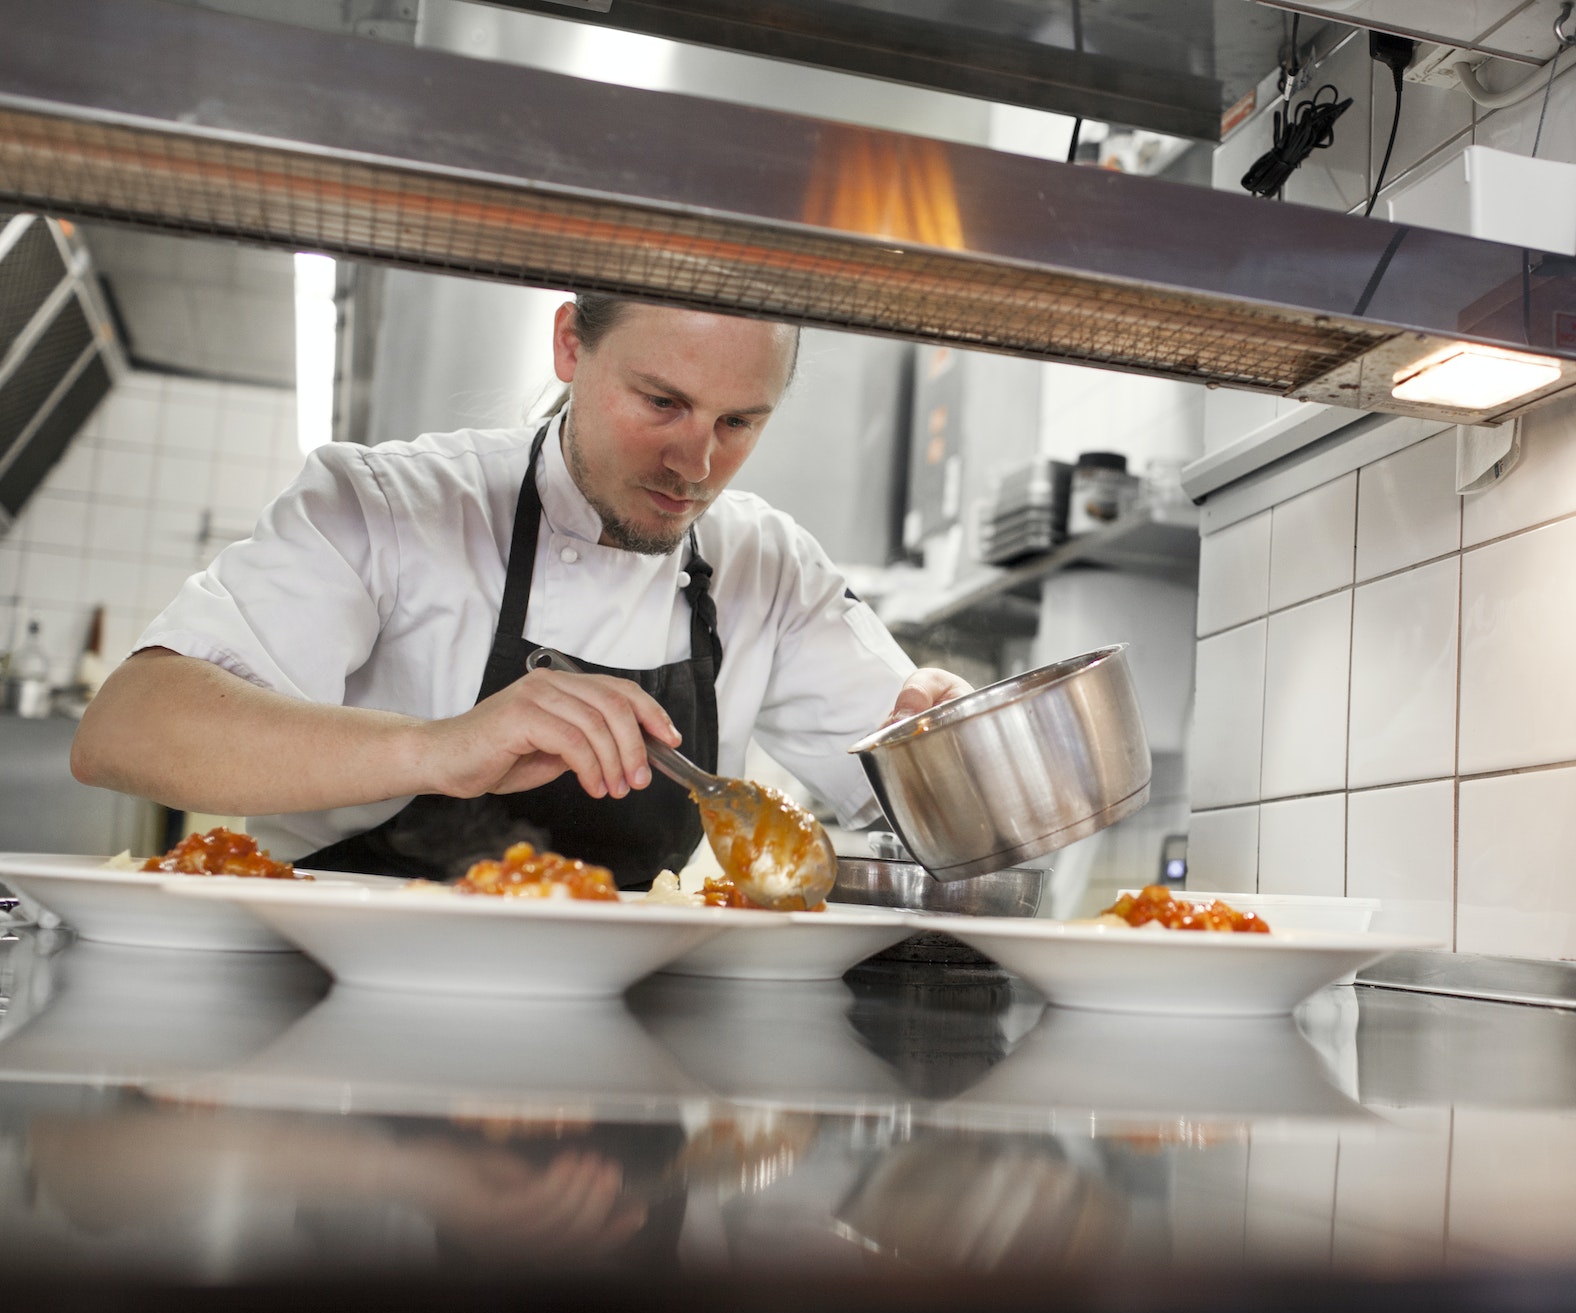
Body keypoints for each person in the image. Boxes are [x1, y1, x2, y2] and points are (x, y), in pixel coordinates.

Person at [71, 297, 970, 888]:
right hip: (342, 1047)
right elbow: (128, 727)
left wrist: (957, 743)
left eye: (738, 423)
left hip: (623, 1073)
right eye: (661, 402)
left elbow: (931, 796)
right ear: (571, 342)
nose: (696, 466)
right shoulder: (392, 505)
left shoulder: (768, 569)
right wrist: (437, 747)